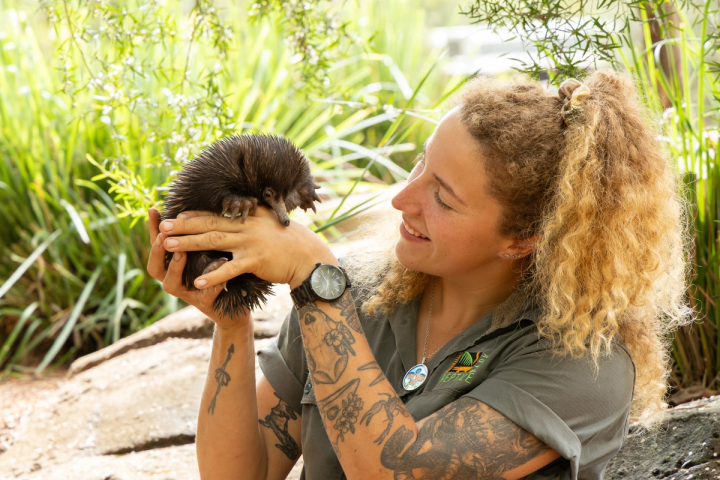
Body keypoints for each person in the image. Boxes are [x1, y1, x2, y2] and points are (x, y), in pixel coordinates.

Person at [146, 70, 692, 480]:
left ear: (522, 240)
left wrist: (316, 283)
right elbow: (241, 475)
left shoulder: (583, 370)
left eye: (444, 199)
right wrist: (231, 320)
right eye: (419, 165)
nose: (402, 198)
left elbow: (393, 469)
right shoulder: (353, 291)